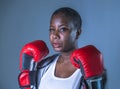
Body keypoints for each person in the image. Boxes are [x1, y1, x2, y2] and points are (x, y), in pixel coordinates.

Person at [18, 7, 107, 89]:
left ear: (78, 33)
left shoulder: (91, 68)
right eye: (52, 29)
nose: (55, 35)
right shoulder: (44, 66)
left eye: (63, 29)